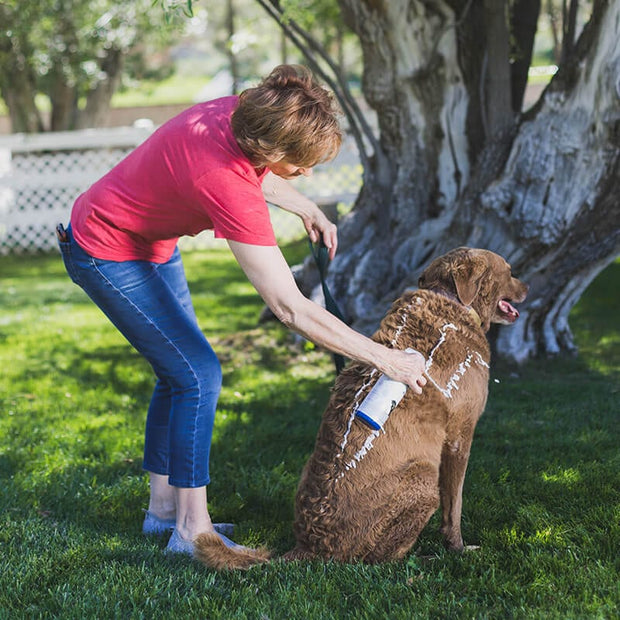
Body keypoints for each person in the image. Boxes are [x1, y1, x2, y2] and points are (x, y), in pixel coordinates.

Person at [57, 64, 427, 555]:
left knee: (177, 372)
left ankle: (162, 513)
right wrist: (388, 359)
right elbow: (290, 308)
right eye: (301, 165)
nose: (308, 173)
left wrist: (305, 206)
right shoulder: (225, 182)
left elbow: (260, 170)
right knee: (197, 374)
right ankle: (191, 530)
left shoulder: (247, 114)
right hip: (103, 246)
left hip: (153, 241)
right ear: (272, 151)